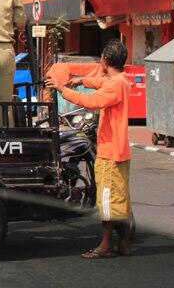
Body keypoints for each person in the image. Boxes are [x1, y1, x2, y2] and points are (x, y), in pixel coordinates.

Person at [49, 40, 132, 259]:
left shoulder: (115, 85)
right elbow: (100, 83)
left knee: (106, 200)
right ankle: (123, 243)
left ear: (104, 60)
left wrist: (63, 90)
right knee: (119, 199)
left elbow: (92, 101)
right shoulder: (121, 80)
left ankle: (105, 244)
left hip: (110, 152)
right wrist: (80, 80)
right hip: (119, 151)